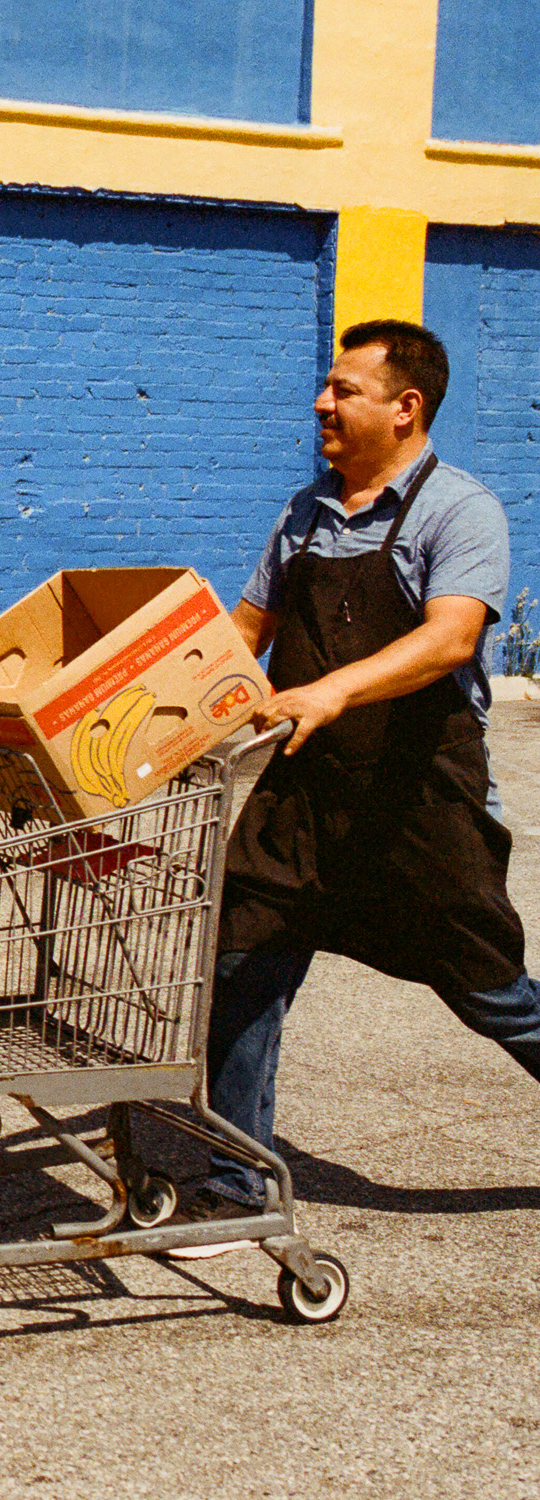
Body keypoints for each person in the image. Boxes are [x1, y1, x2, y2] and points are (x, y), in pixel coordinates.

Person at [181, 319, 540, 1255]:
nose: (321, 404)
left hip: (417, 811)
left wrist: (335, 686)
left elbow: (452, 637)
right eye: (327, 388)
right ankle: (235, 1186)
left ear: (405, 406)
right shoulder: (303, 514)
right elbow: (239, 638)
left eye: (344, 389)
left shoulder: (460, 511)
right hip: (302, 801)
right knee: (240, 969)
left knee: (496, 996)